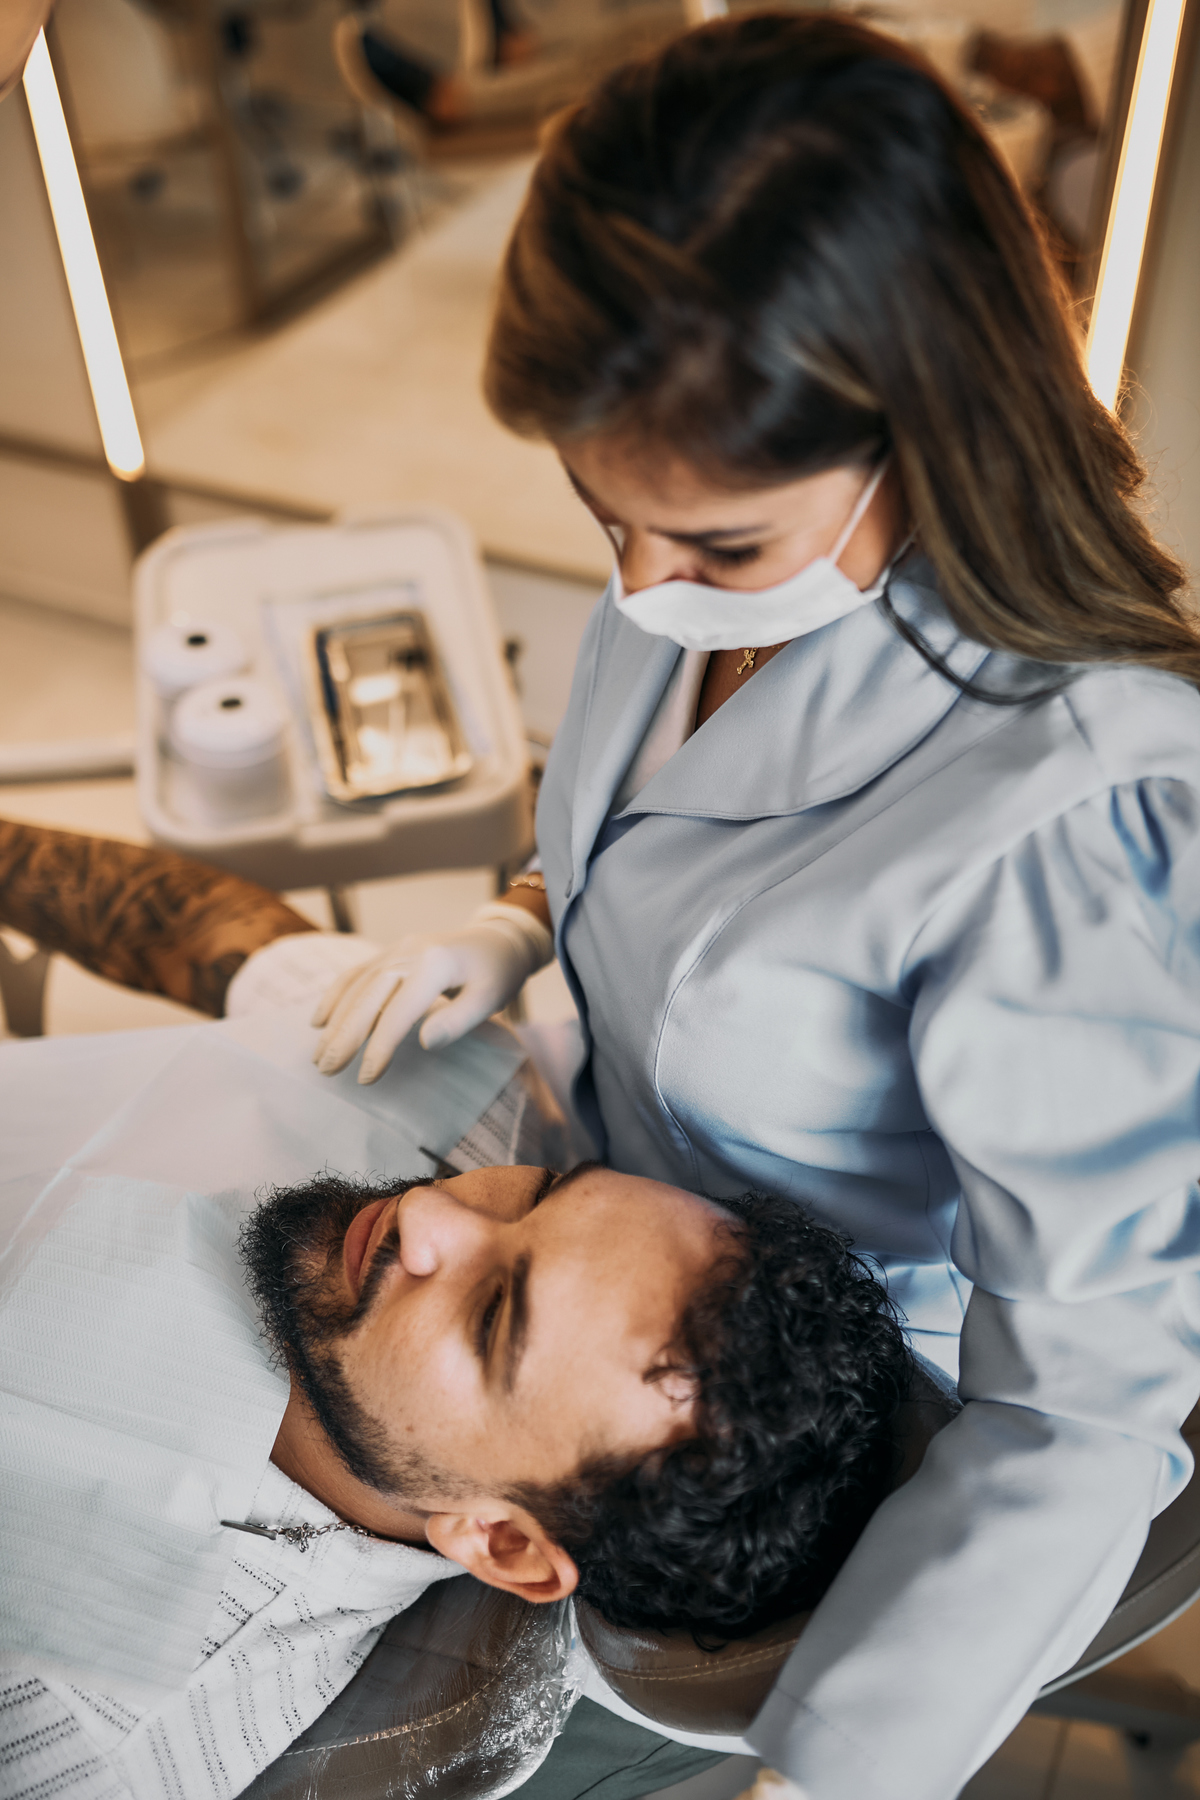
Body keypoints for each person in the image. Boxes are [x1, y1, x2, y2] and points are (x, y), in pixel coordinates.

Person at [312, 14, 1200, 1799]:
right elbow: (669, 844)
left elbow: (1079, 1408)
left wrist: (840, 1768)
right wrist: (517, 909)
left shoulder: (1069, 816)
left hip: (818, 1410)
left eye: (713, 548)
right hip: (608, 1242)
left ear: (923, 431)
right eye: (603, 517)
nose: (640, 589)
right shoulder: (708, 577)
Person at [0, 817, 915, 1800]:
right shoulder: (477, 1114)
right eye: (541, 1197)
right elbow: (225, 946)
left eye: (490, 1322)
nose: (433, 1209)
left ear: (504, 1542)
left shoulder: (90, 1716)